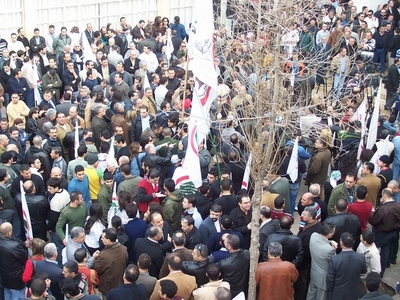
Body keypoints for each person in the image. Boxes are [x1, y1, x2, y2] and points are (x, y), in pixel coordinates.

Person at [368, 188, 400, 275]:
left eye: (382, 196)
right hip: (393, 233)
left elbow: (374, 221)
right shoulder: (398, 206)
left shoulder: (383, 209)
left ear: (385, 196)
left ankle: (372, 270)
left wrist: (372, 213)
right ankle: (381, 272)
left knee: (372, 249)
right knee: (386, 251)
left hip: (381, 234)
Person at [326, 232, 367, 300]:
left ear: (341, 243)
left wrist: (329, 291)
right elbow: (363, 271)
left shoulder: (335, 259)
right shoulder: (361, 257)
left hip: (338, 293)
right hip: (353, 292)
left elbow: (330, 279)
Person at [94, 228, 129, 297]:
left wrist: (94, 258)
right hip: (120, 283)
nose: (101, 239)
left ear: (108, 240)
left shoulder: (104, 255)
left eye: (103, 237)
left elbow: (96, 270)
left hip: (108, 286)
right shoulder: (124, 249)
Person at [307, 222, 337, 300]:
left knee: (311, 295)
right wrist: (334, 248)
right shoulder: (330, 250)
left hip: (314, 272)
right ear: (330, 234)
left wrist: (330, 242)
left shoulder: (313, 236)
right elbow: (335, 261)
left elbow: (322, 240)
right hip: (323, 278)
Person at [0, 222, 28, 300]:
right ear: (9, 233)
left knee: (7, 295)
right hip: (16, 280)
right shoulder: (14, 247)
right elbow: (25, 258)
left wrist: (23, 244)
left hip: (4, 277)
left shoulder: (12, 245)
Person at [218, 234, 250, 298]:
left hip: (231, 293)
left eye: (225, 242)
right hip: (243, 290)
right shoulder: (247, 254)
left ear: (229, 246)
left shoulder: (224, 263)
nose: (223, 242)